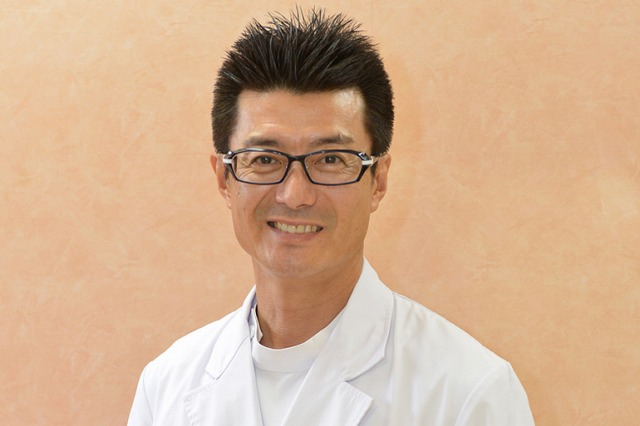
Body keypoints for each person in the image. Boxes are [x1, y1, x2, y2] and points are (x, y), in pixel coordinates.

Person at [128, 8, 534, 425]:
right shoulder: (166, 387)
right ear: (223, 178)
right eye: (265, 158)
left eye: (330, 159)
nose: (295, 196)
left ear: (378, 180)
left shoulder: (469, 392)